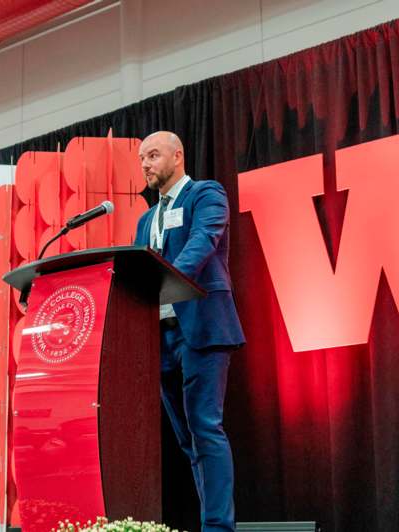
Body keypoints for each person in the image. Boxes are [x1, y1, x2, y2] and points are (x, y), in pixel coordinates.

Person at [134, 131, 245, 532]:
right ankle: (211, 520)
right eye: (142, 158)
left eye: (153, 155)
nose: (145, 164)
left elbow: (203, 242)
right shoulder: (145, 220)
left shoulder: (205, 194)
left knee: (205, 428)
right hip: (159, 338)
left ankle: (218, 527)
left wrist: (168, 279)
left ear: (177, 155)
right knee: (186, 441)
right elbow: (136, 275)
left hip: (201, 327)